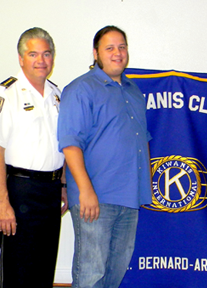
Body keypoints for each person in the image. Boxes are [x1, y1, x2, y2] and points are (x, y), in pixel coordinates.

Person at [57, 25, 152, 288]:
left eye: (122, 47)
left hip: (130, 197)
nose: (117, 53)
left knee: (115, 272)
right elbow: (70, 144)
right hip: (95, 198)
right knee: (91, 274)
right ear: (96, 53)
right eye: (109, 48)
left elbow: (140, 141)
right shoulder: (80, 89)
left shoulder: (133, 91)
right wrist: (85, 190)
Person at [0, 27, 67, 287]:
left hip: (51, 190)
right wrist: (3, 202)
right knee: (17, 271)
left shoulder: (56, 94)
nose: (41, 61)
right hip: (20, 190)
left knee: (44, 268)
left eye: (46, 54)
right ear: (21, 58)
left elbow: (62, 145)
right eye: (33, 54)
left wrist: (63, 185)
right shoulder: (5, 95)